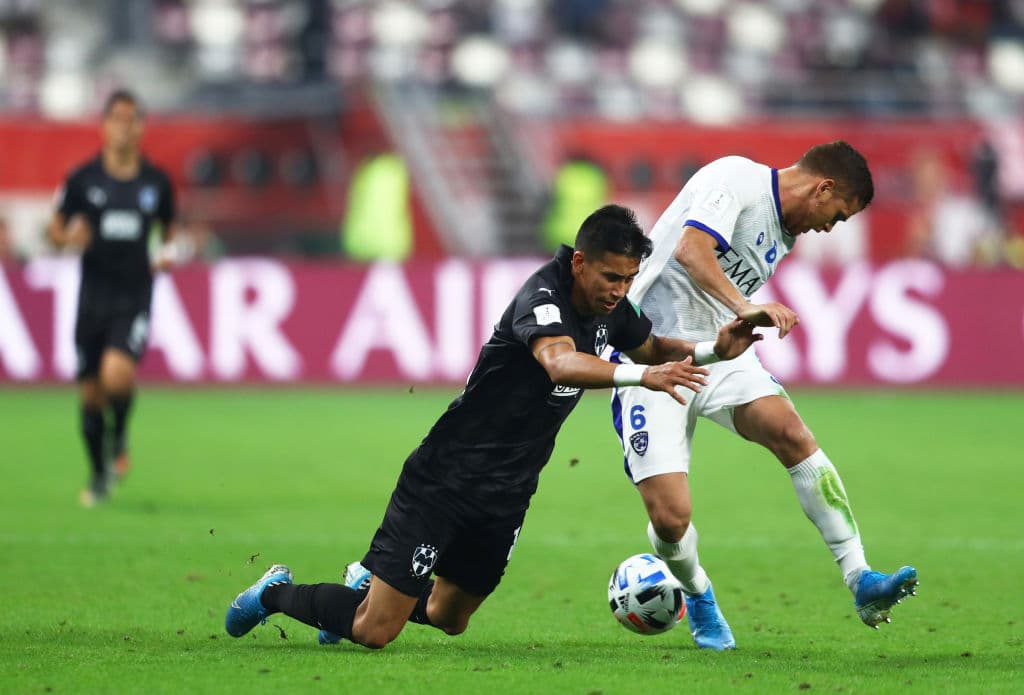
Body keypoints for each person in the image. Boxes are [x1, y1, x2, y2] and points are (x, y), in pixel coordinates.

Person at [224, 205, 762, 649]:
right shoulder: (543, 297)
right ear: (579, 262)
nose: (621, 289)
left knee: (449, 617)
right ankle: (276, 593)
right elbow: (560, 362)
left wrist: (716, 347)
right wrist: (644, 376)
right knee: (375, 630)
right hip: (445, 479)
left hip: (508, 492)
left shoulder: (610, 307)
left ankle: (366, 587)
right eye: (612, 276)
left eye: (629, 278)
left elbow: (654, 347)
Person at [609, 141, 917, 650]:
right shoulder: (737, 179)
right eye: (836, 216)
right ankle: (698, 593)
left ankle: (860, 577)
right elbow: (691, 250)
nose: (828, 229)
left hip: (721, 356)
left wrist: (735, 322)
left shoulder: (785, 234)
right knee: (670, 518)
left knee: (793, 435)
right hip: (653, 356)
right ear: (823, 187)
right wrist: (746, 305)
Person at [47, 89, 178, 507]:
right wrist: (68, 237)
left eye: (132, 118)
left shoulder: (156, 183)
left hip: (133, 295)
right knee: (90, 395)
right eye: (117, 118)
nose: (125, 126)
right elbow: (54, 228)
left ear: (141, 125)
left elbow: (169, 232)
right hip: (92, 299)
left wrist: (167, 253)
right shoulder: (82, 179)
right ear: (104, 125)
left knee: (117, 375)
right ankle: (99, 472)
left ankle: (119, 433)